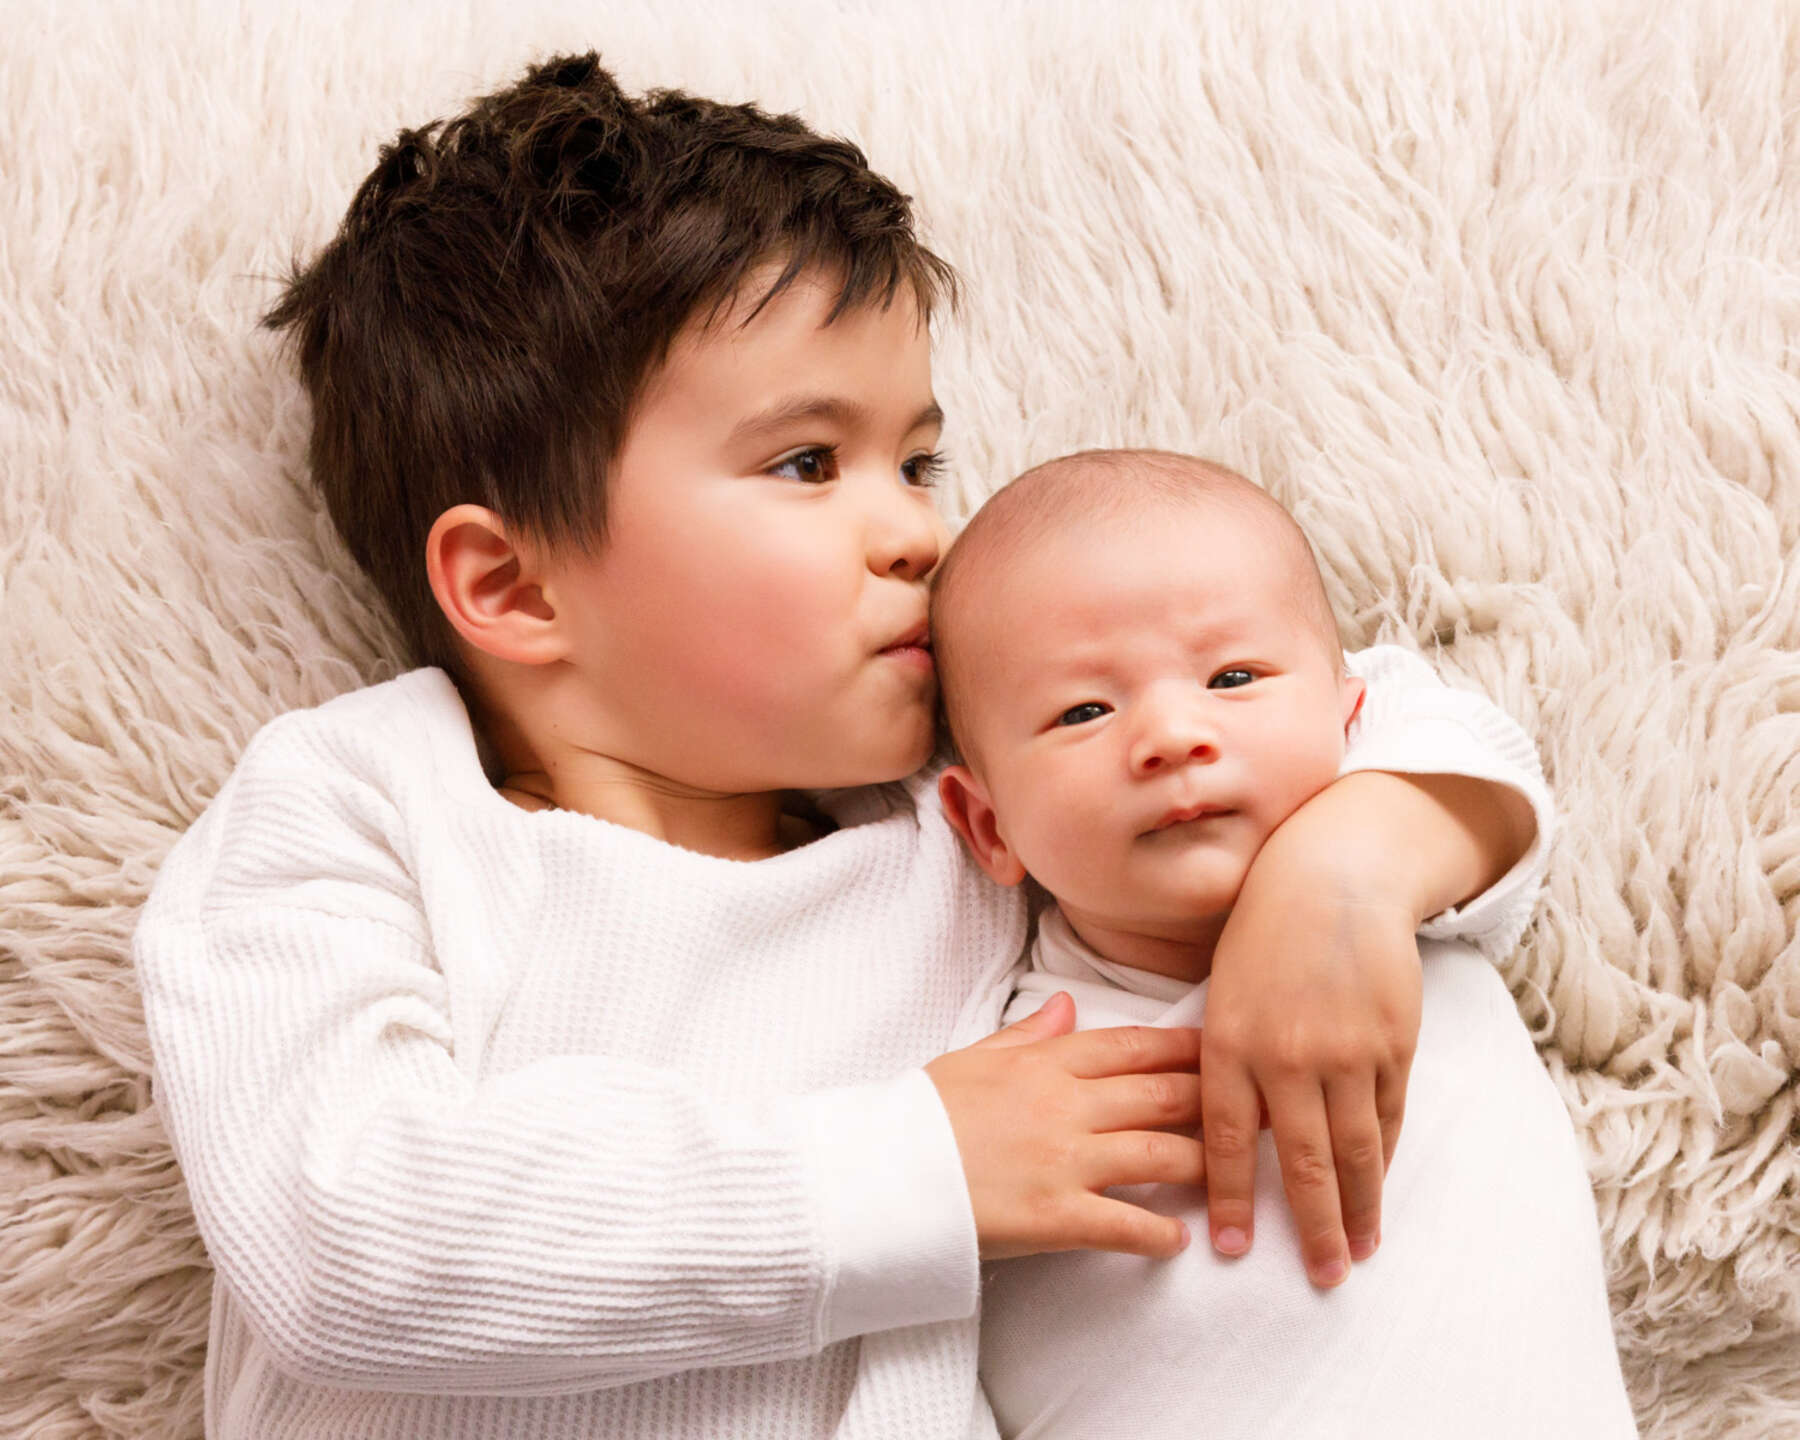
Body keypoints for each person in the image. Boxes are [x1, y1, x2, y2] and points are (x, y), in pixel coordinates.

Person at [133, 54, 1553, 1440]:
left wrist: (1349, 868)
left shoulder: (963, 821)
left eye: (918, 461)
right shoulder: (359, 806)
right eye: (809, 463)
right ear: (515, 587)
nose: (921, 531)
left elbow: (1336, 706)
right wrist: (921, 1165)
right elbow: (342, 1236)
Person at [931, 449, 1637, 1439]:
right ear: (989, 827)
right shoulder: (1000, 1053)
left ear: (1354, 727)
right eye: (1084, 710)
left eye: (1232, 677)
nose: (1173, 732)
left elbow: (1484, 763)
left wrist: (1340, 869)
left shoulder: (1420, 888)